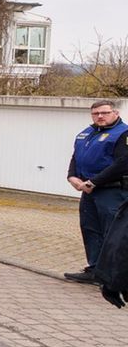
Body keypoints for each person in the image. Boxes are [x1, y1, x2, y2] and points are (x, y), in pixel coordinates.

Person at [65, 99, 128, 284]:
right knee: (90, 229)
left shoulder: (123, 134)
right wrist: (72, 177)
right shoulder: (86, 133)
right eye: (96, 113)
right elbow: (76, 157)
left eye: (104, 113)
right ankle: (95, 269)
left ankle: (114, 276)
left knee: (113, 233)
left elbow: (123, 164)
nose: (100, 116)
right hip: (89, 191)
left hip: (112, 191)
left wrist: (94, 182)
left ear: (115, 113)